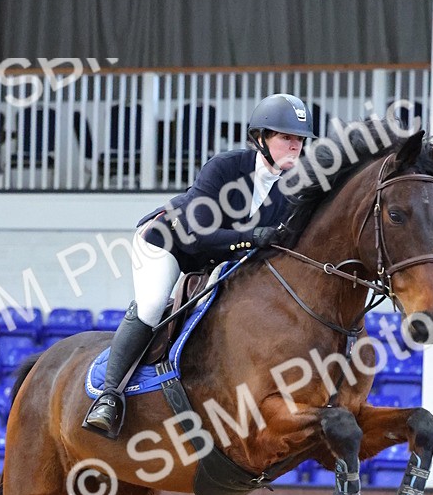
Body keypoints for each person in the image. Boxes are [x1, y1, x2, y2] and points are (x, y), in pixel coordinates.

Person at [83, 93, 316, 436]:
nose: (295, 147)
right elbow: (199, 235)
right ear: (260, 139)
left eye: (299, 139)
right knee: (151, 308)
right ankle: (109, 396)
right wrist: (254, 236)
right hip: (169, 246)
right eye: (286, 138)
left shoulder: (294, 190)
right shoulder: (224, 168)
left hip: (219, 260)